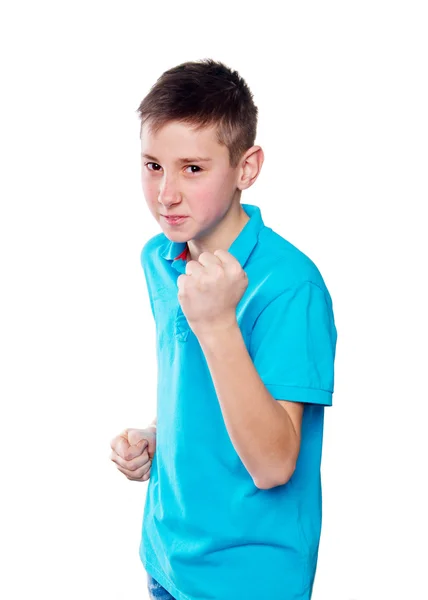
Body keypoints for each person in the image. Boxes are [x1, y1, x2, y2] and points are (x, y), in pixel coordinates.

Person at [110, 58, 338, 600]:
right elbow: (202, 394)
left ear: (246, 167)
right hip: (167, 561)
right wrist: (156, 436)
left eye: (192, 168)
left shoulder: (291, 286)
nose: (166, 194)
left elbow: (275, 462)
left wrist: (216, 323)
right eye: (152, 164)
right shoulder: (160, 257)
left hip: (248, 582)